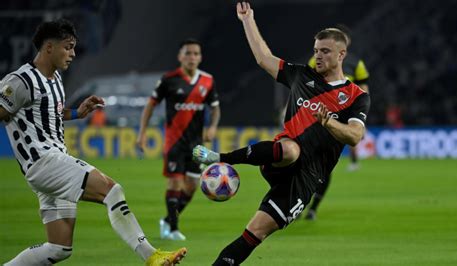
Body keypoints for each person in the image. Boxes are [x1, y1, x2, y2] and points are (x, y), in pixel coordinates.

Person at [192, 2, 370, 265]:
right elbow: (264, 58)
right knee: (290, 149)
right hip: (281, 158)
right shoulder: (301, 76)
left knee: (254, 233)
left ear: (342, 54)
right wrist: (247, 20)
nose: (318, 56)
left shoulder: (356, 97)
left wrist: (329, 123)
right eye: (315, 51)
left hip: (307, 178)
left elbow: (355, 136)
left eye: (325, 51)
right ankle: (220, 157)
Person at [0, 19, 186, 265]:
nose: (73, 54)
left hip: (51, 162)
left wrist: (78, 112)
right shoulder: (20, 81)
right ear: (48, 47)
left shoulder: (54, 80)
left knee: (58, 248)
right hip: (45, 162)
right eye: (68, 47)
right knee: (111, 190)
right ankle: (150, 256)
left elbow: (50, 112)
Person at [136, 38, 220, 241]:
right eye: (188, 53)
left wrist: (213, 127)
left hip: (196, 144)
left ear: (200, 57)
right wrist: (142, 133)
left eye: (196, 54)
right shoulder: (169, 79)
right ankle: (172, 229)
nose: (192, 57)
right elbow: (150, 105)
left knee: (191, 187)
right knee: (174, 183)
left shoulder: (207, 80)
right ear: (180, 56)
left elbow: (215, 107)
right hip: (174, 142)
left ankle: (167, 219)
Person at [305, 26, 370, 220]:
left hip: (340, 120)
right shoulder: (316, 61)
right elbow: (303, 85)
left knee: (325, 165)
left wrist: (361, 115)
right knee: (305, 163)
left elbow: (364, 87)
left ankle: (312, 208)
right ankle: (299, 202)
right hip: (315, 116)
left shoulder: (357, 62)